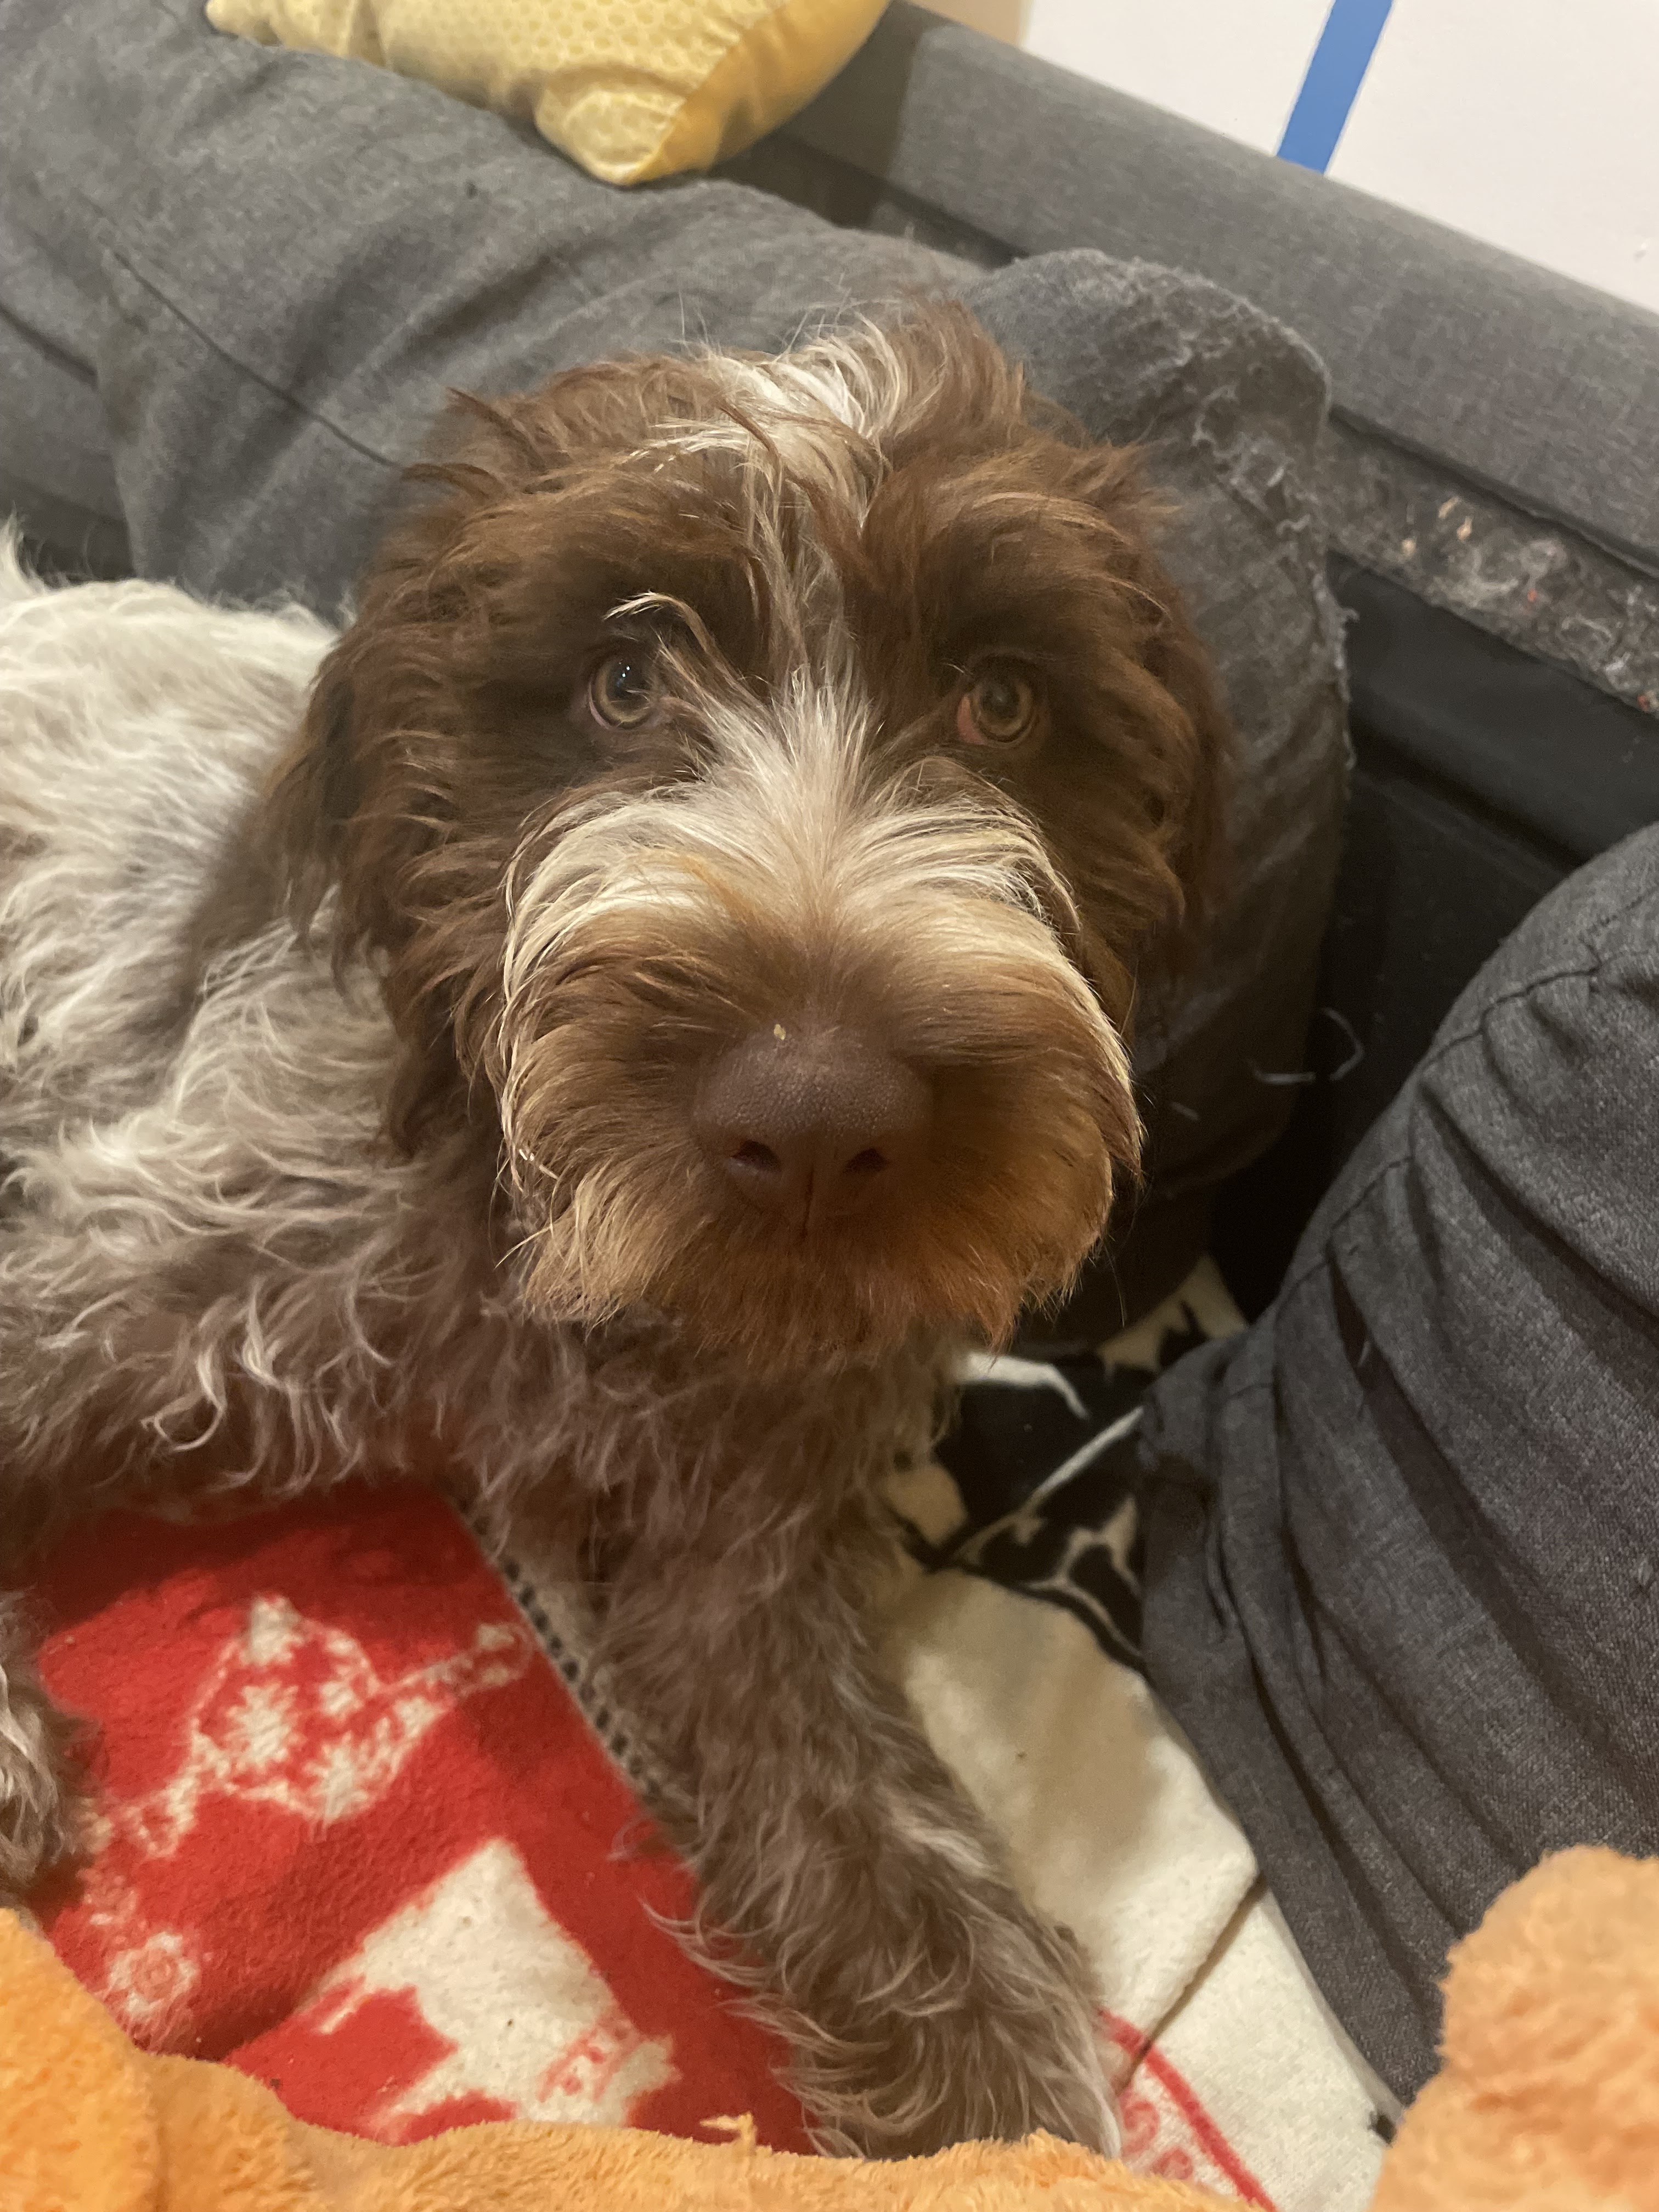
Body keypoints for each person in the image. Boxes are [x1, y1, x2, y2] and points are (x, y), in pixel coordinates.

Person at [5, 0, 1655, 2126]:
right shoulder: (329, 1141)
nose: (815, 1074)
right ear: (400, 827)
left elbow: (733, 1590)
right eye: (629, 687)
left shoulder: (888, 1272)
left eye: (992, 711)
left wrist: (1010, 2130)